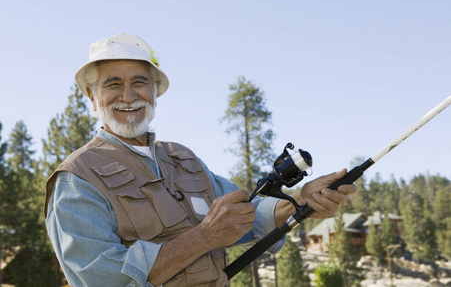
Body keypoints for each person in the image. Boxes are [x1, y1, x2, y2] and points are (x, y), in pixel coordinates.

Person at [45, 33, 356, 287]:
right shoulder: (77, 179)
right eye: (113, 84)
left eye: (139, 82)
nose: (128, 96)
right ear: (91, 95)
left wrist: (300, 200)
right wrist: (204, 237)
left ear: (156, 91)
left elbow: (246, 212)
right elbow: (104, 279)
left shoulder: (182, 158)